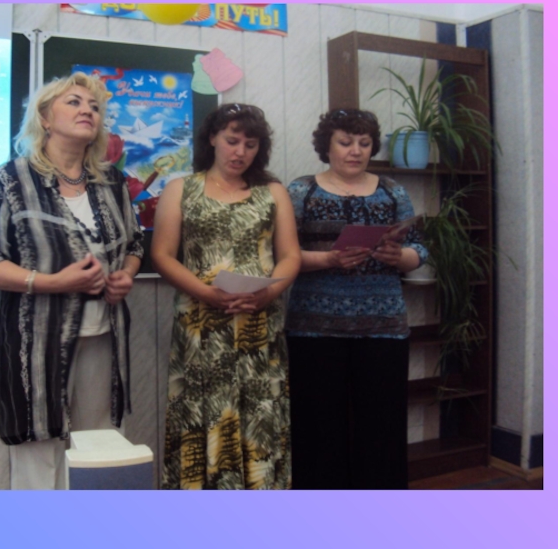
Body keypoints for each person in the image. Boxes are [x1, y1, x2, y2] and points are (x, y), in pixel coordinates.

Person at [0, 72, 144, 489]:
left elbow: (135, 244)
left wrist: (126, 276)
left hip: (102, 333)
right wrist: (54, 283)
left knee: (96, 443)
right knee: (40, 446)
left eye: (94, 107)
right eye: (74, 103)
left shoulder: (112, 181)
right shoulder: (10, 179)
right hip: (35, 337)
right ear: (44, 118)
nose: (87, 111)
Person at [151, 103, 301, 490]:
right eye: (232, 141)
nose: (240, 152)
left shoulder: (273, 192)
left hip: (259, 322)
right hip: (200, 323)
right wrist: (206, 293)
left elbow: (290, 256)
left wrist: (269, 293)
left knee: (260, 411)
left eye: (250, 144)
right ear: (213, 139)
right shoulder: (181, 188)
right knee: (202, 410)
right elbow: (162, 255)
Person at [285, 108, 429, 490]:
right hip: (314, 327)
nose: (355, 150)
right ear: (326, 145)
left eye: (364, 143)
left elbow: (419, 250)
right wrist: (328, 260)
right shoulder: (301, 191)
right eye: (346, 142)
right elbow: (281, 255)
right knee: (317, 426)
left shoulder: (392, 191)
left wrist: (399, 256)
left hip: (383, 327)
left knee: (382, 426)